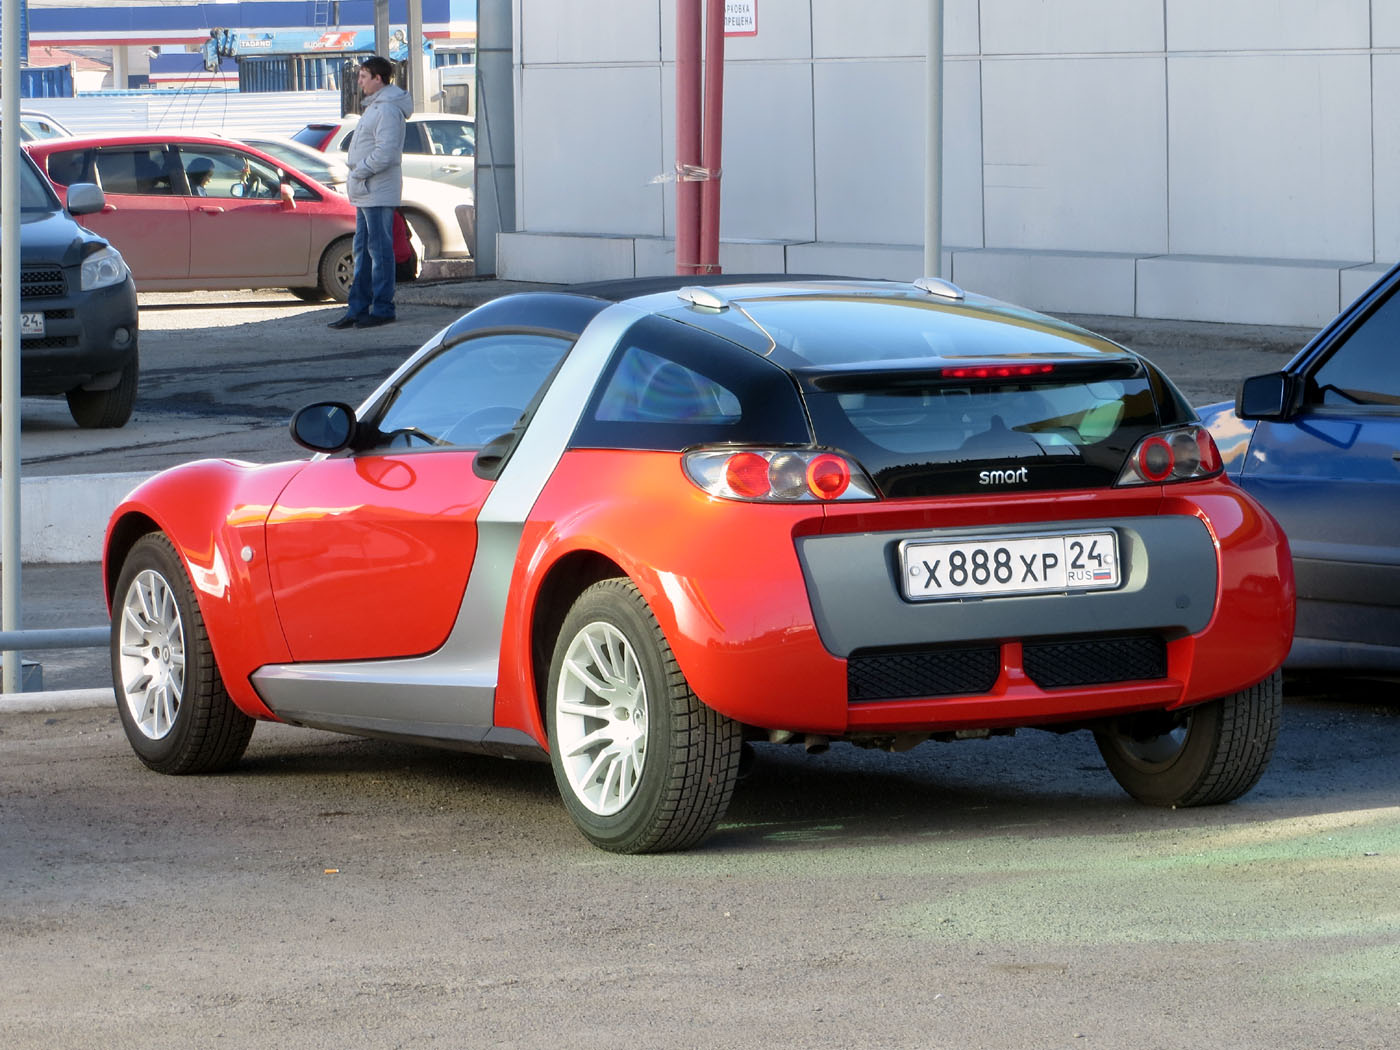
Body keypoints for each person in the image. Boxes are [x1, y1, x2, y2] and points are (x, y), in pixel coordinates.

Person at [328, 55, 413, 330]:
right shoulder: (376, 106)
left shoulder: (387, 109)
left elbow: (386, 153)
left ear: (379, 78)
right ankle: (358, 308)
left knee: (379, 250)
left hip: (377, 189)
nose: (360, 81)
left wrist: (359, 171)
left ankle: (383, 308)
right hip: (366, 190)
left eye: (364, 76)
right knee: (363, 250)